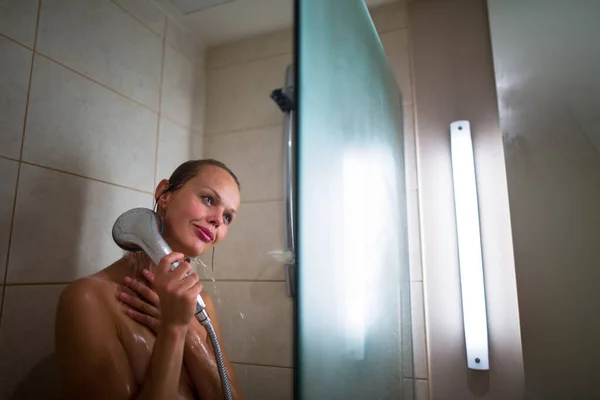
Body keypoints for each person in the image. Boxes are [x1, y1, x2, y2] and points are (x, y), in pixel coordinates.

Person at [55, 159, 244, 400]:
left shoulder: (200, 304)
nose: (218, 219)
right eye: (208, 199)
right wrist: (173, 329)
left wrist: (189, 335)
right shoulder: (87, 299)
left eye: (228, 217)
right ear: (164, 194)